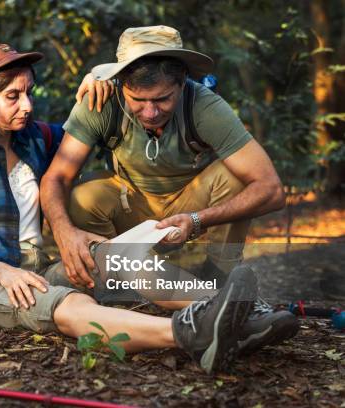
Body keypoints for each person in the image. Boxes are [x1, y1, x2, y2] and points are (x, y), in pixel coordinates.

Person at [0, 41, 260, 374]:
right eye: (12, 97)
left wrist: (97, 80)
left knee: (118, 259)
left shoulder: (38, 139)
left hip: (41, 269)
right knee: (72, 305)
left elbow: (94, 129)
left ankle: (237, 313)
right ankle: (188, 333)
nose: (26, 105)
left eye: (28, 92)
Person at [40, 26, 298, 353]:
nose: (150, 112)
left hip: (188, 209)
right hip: (130, 209)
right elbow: (56, 177)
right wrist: (63, 231)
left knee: (234, 180)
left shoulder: (203, 105)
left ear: (182, 82)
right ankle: (118, 291)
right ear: (120, 86)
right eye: (138, 100)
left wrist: (198, 219)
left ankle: (219, 294)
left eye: (163, 99)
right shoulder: (101, 101)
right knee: (84, 196)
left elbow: (271, 189)